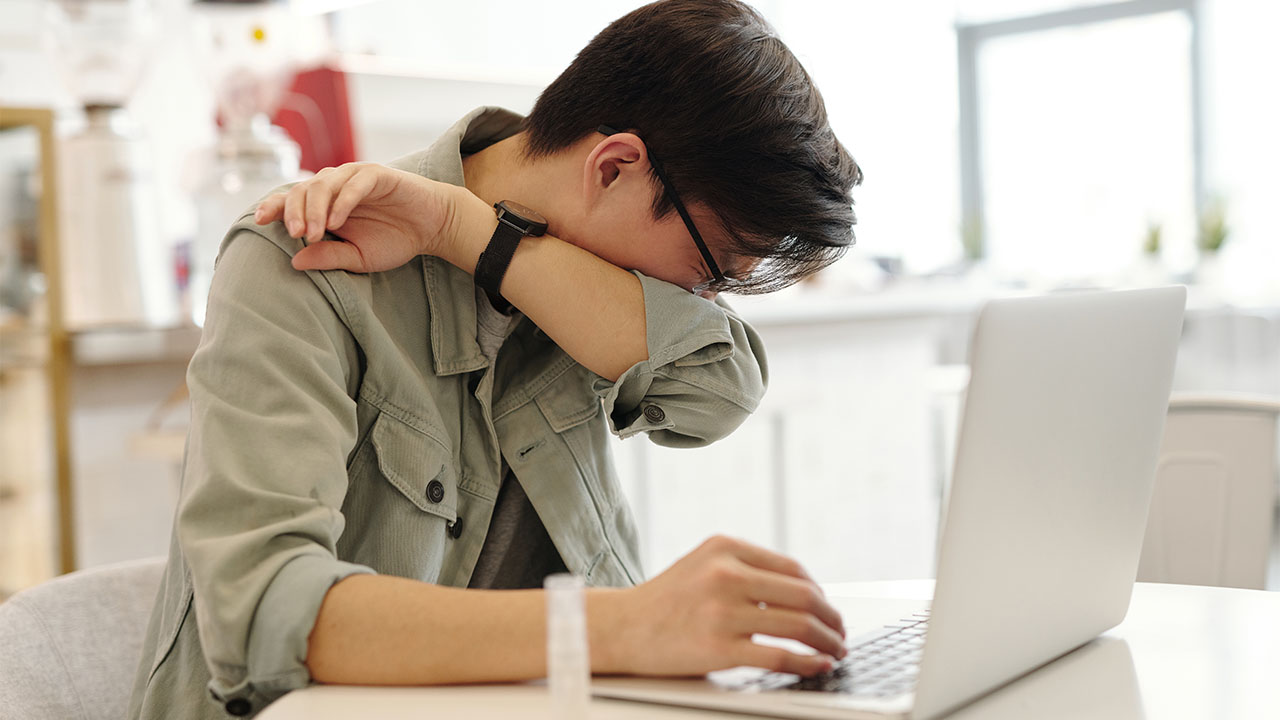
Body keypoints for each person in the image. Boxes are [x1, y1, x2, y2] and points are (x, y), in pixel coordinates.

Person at [128, 0, 863, 717]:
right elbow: (264, 612)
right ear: (613, 169)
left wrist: (465, 230)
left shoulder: (578, 273)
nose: (699, 296)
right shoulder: (302, 258)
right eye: (709, 271)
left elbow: (720, 388)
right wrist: (627, 626)